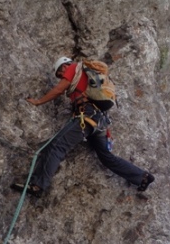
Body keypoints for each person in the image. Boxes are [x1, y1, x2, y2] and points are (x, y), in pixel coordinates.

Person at [12, 57, 154, 197]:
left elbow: (58, 90)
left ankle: (37, 185)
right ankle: (142, 177)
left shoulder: (74, 68)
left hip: (87, 117)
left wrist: (38, 102)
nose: (61, 76)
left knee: (57, 146)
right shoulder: (85, 77)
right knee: (106, 157)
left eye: (60, 72)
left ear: (66, 65)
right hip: (99, 121)